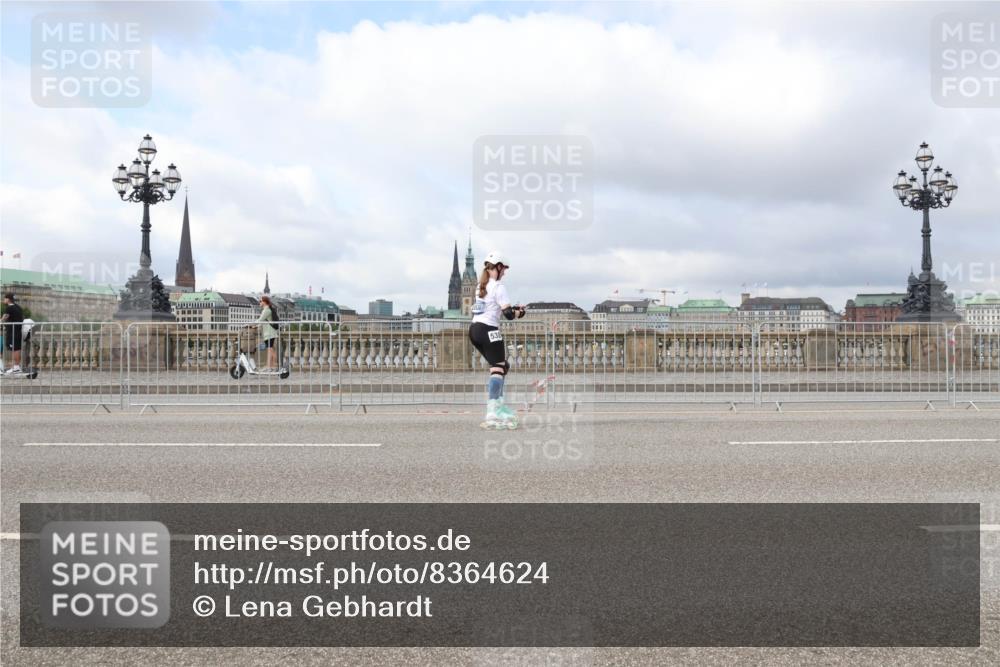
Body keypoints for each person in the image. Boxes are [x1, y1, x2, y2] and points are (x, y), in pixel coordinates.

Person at [468, 251, 526, 428]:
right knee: (498, 369)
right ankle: (493, 412)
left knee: (502, 366)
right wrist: (520, 313)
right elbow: (508, 314)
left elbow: (493, 306)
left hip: (475, 330)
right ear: (498, 267)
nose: (505, 273)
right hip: (489, 330)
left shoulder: (480, 286)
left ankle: (498, 406)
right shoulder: (499, 287)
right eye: (504, 269)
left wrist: (513, 308)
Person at [1, 293, 24, 374]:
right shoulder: (18, 307)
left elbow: (4, 318)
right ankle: (16, 367)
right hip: (18, 331)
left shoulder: (9, 308)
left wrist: (1, 321)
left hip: (12, 332)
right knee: (17, 348)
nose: (4, 300)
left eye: (5, 298)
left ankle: (16, 367)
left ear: (8, 299)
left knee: (14, 349)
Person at [258, 295, 279, 370]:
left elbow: (260, 320)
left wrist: (250, 324)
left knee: (271, 350)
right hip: (269, 332)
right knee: (270, 350)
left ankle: (275, 366)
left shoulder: (266, 310)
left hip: (269, 333)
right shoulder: (267, 309)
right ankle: (270, 366)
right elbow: (262, 321)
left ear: (264, 302)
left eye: (260, 301)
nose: (259, 302)